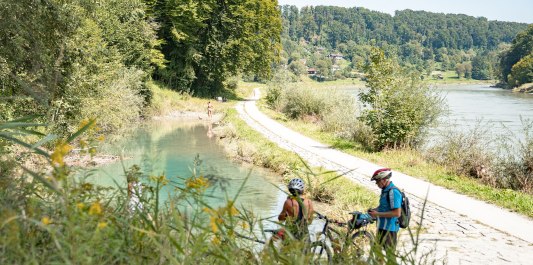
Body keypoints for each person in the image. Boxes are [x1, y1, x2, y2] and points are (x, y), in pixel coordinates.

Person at [368, 168, 402, 254]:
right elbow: (383, 207)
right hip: (381, 228)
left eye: (377, 181)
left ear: (383, 180)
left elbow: (397, 213)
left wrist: (377, 214)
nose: (376, 184)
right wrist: (374, 211)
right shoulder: (385, 191)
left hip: (389, 230)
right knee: (377, 255)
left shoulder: (393, 192)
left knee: (390, 258)